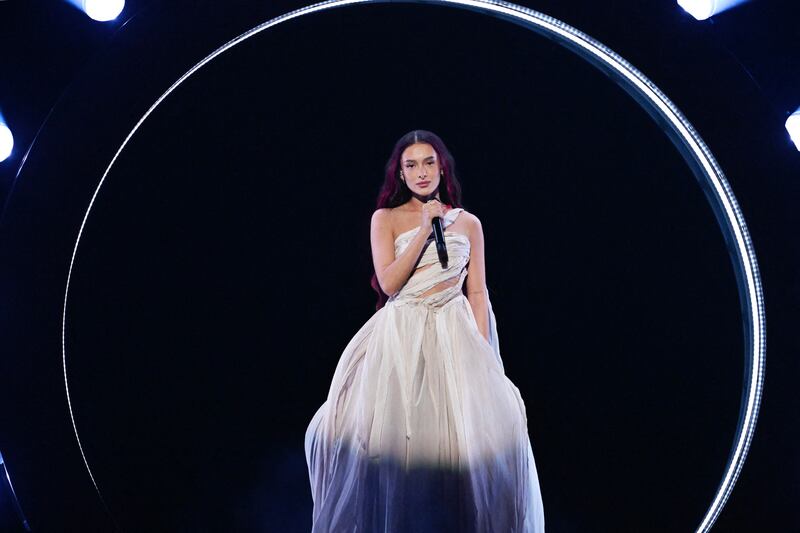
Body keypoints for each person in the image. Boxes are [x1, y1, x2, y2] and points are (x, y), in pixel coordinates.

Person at [305, 130, 545, 532]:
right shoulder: (385, 218)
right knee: (393, 446)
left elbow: (478, 290)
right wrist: (423, 228)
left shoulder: (468, 223)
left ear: (442, 166)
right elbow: (389, 283)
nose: (421, 172)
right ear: (399, 173)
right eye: (411, 165)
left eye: (428, 162)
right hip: (402, 335)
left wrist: (486, 355)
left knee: (472, 448)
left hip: (455, 333)